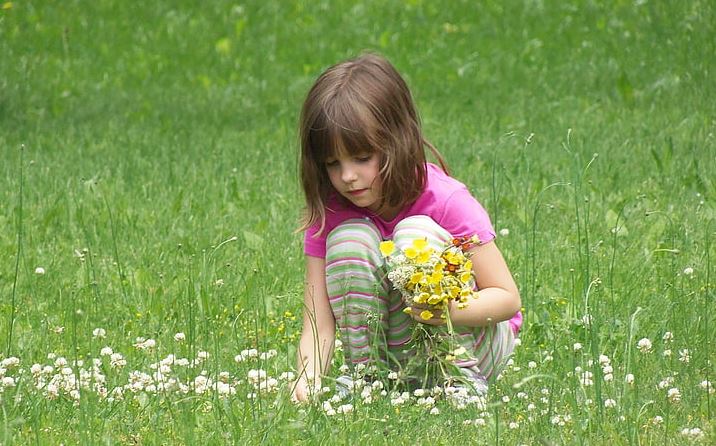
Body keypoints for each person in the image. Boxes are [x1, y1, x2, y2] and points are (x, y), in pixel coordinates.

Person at [293, 53, 522, 402]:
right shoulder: (331, 213)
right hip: (400, 351)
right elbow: (318, 321)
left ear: (396, 140)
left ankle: (456, 382)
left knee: (414, 234)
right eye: (332, 163)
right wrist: (305, 387)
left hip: (475, 342)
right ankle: (369, 380)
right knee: (349, 240)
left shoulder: (444, 199)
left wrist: (444, 310)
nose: (347, 176)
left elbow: (507, 299)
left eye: (362, 158)